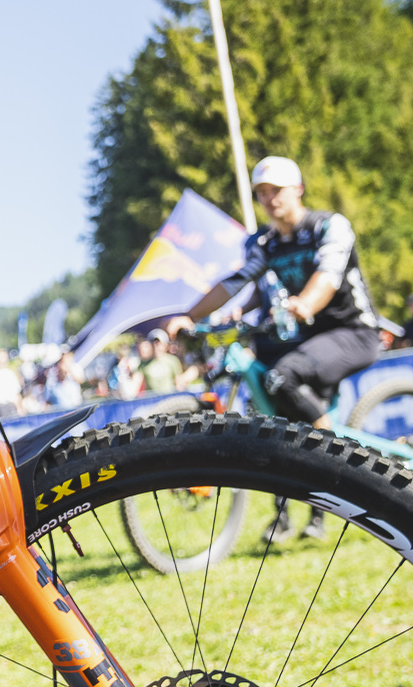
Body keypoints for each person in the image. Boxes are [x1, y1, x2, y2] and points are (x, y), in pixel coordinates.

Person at [168, 156, 384, 542]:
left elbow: (328, 276)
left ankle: (327, 464)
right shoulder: (263, 243)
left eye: (276, 191)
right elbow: (235, 282)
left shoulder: (328, 227)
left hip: (351, 332)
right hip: (299, 335)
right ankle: (284, 513)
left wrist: (306, 303)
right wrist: (189, 317)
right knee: (270, 412)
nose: (269, 199)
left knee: (282, 376)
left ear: (298, 189)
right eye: (261, 194)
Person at [139, 330, 182, 397]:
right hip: (151, 401)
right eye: (153, 342)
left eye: (158, 342)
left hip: (169, 399)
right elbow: (136, 384)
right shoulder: (143, 364)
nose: (156, 345)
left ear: (165, 344)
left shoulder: (173, 360)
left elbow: (179, 383)